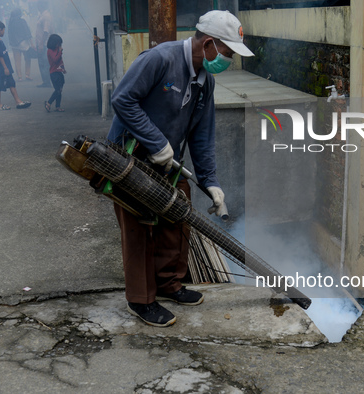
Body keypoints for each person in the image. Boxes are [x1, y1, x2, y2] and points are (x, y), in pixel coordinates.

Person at [107, 10, 254, 327]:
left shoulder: (206, 81)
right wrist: (156, 142)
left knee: (178, 218)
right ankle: (141, 300)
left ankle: (169, 283)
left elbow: (202, 135)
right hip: (129, 158)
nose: (227, 60)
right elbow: (123, 99)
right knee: (138, 229)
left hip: (167, 163)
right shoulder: (160, 59)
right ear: (210, 43)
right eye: (227, 52)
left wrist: (211, 182)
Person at [0, 20, 32, 110]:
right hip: (1, 68)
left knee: (11, 83)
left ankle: (18, 102)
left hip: (6, 67)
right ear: (0, 29)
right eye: (3, 30)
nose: (4, 32)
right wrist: (5, 67)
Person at [7, 8, 34, 81]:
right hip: (23, 43)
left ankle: (19, 76)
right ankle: (27, 74)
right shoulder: (22, 21)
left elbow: (9, 34)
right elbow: (27, 33)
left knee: (17, 61)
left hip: (14, 45)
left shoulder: (10, 23)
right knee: (27, 58)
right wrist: (31, 43)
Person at [44, 34, 66, 112]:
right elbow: (55, 59)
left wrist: (63, 68)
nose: (59, 45)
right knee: (57, 90)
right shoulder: (50, 51)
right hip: (54, 72)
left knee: (60, 90)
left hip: (59, 72)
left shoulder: (57, 49)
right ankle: (49, 103)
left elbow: (60, 60)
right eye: (58, 43)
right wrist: (60, 52)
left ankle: (57, 106)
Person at [35, 0, 53, 87]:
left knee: (44, 63)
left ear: (41, 6)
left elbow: (46, 31)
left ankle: (47, 82)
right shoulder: (42, 15)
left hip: (44, 44)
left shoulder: (46, 16)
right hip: (41, 44)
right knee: (42, 63)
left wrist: (41, 44)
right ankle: (45, 81)